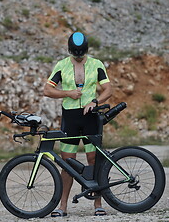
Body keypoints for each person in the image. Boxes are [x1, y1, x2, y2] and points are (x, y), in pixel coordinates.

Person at [43, 32, 112, 217]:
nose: (79, 56)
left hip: (91, 116)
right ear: (70, 50)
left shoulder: (96, 64)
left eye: (82, 53)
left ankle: (98, 205)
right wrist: (68, 93)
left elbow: (108, 89)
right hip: (71, 118)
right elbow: (47, 90)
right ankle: (62, 206)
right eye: (76, 53)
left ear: (87, 50)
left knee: (93, 161)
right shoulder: (62, 65)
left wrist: (95, 102)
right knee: (67, 164)